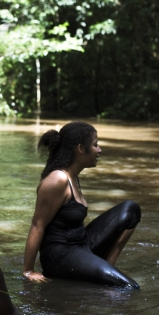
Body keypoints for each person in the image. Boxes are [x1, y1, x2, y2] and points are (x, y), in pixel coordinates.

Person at [23, 122, 141, 289]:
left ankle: (107, 266)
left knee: (131, 210)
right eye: (95, 145)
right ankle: (105, 279)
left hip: (81, 244)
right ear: (80, 148)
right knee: (129, 287)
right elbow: (37, 225)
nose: (99, 150)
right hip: (60, 256)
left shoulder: (73, 176)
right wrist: (28, 271)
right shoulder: (58, 180)